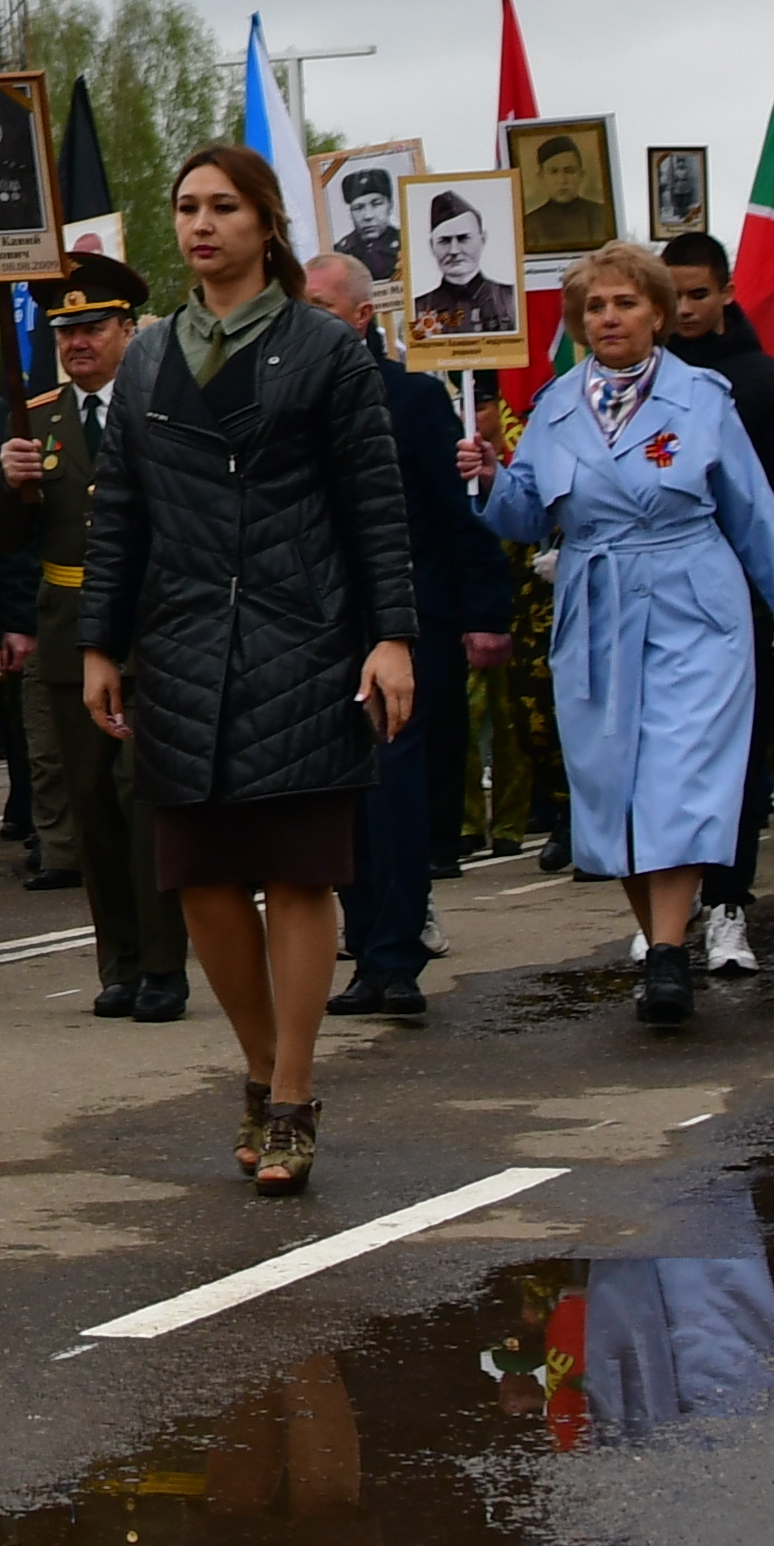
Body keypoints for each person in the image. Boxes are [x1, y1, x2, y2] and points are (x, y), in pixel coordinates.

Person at [72, 148, 424, 1193]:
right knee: (202, 878)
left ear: (266, 223)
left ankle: (294, 1092)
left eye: (223, 207)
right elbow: (121, 515)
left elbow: (374, 505)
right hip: (181, 646)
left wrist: (391, 633)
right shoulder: (145, 361)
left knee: (297, 868)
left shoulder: (324, 349)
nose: (200, 225)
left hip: (301, 637)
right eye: (185, 207)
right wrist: (100, 639)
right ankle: (261, 1063)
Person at [483, 246, 774, 1027]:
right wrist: (487, 475)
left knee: (679, 775)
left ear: (658, 315)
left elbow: (756, 515)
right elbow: (522, 516)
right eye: (596, 307)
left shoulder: (703, 397)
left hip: (693, 605)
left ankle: (669, 955)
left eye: (625, 303)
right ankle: (660, 940)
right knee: (614, 790)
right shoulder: (555, 406)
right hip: (598, 603)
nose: (609, 318)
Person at [305, 251, 500, 1024]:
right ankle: (366, 945)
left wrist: (484, 611)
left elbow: (454, 519)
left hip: (402, 626)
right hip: (320, 629)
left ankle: (397, 955)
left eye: (325, 306)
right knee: (341, 798)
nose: (311, 319)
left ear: (362, 317)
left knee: (395, 790)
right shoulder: (287, 400)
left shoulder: (411, 399)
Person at [3, 255, 176, 1014]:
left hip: (153, 626)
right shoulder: (36, 423)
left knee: (149, 799)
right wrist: (8, 489)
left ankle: (165, 965)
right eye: (65, 329)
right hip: (71, 632)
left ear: (127, 330)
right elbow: (1, 539)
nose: (77, 342)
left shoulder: (163, 410)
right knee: (92, 803)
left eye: (93, 327)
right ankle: (120, 964)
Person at [655, 245, 774, 976]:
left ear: (725, 292)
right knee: (660, 756)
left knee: (736, 753)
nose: (685, 309)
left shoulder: (763, 384)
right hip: (658, 596)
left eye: (697, 294)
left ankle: (730, 899)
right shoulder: (641, 381)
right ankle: (667, 902)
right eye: (674, 296)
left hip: (737, 598)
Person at [408, 190, 517, 343]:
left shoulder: (510, 299)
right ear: (431, 246)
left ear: (482, 239)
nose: (454, 251)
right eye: (444, 241)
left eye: (463, 238)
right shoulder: (417, 307)